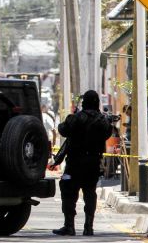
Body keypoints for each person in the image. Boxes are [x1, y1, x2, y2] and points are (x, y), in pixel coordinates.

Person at [52, 90, 112, 236]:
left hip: (74, 163)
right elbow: (107, 134)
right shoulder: (103, 121)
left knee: (68, 192)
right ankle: (88, 227)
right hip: (93, 163)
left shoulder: (76, 118)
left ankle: (69, 226)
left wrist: (73, 115)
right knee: (90, 193)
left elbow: (62, 129)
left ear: (84, 102)